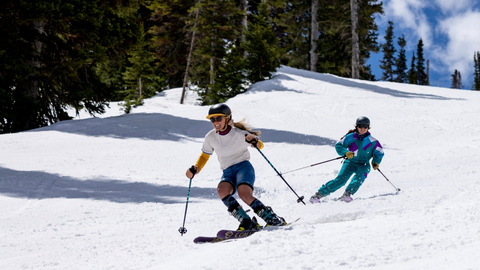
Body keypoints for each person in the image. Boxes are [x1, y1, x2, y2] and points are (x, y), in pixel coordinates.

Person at [186, 103, 286, 231]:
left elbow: (259, 145)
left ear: (227, 119)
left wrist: (254, 141)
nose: (215, 122)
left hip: (243, 167)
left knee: (244, 194)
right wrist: (196, 168)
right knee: (222, 191)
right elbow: (205, 156)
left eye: (218, 118)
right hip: (227, 171)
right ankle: (246, 221)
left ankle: (272, 218)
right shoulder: (210, 137)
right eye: (212, 119)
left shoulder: (239, 133)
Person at [310, 116, 384, 203]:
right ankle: (317, 195)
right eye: (360, 126)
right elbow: (339, 145)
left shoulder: (373, 141)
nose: (362, 128)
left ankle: (346, 195)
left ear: (368, 127)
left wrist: (375, 162)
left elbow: (379, 153)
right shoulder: (350, 137)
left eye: (365, 126)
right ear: (357, 126)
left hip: (364, 164)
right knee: (341, 180)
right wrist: (345, 152)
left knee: (359, 178)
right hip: (350, 162)